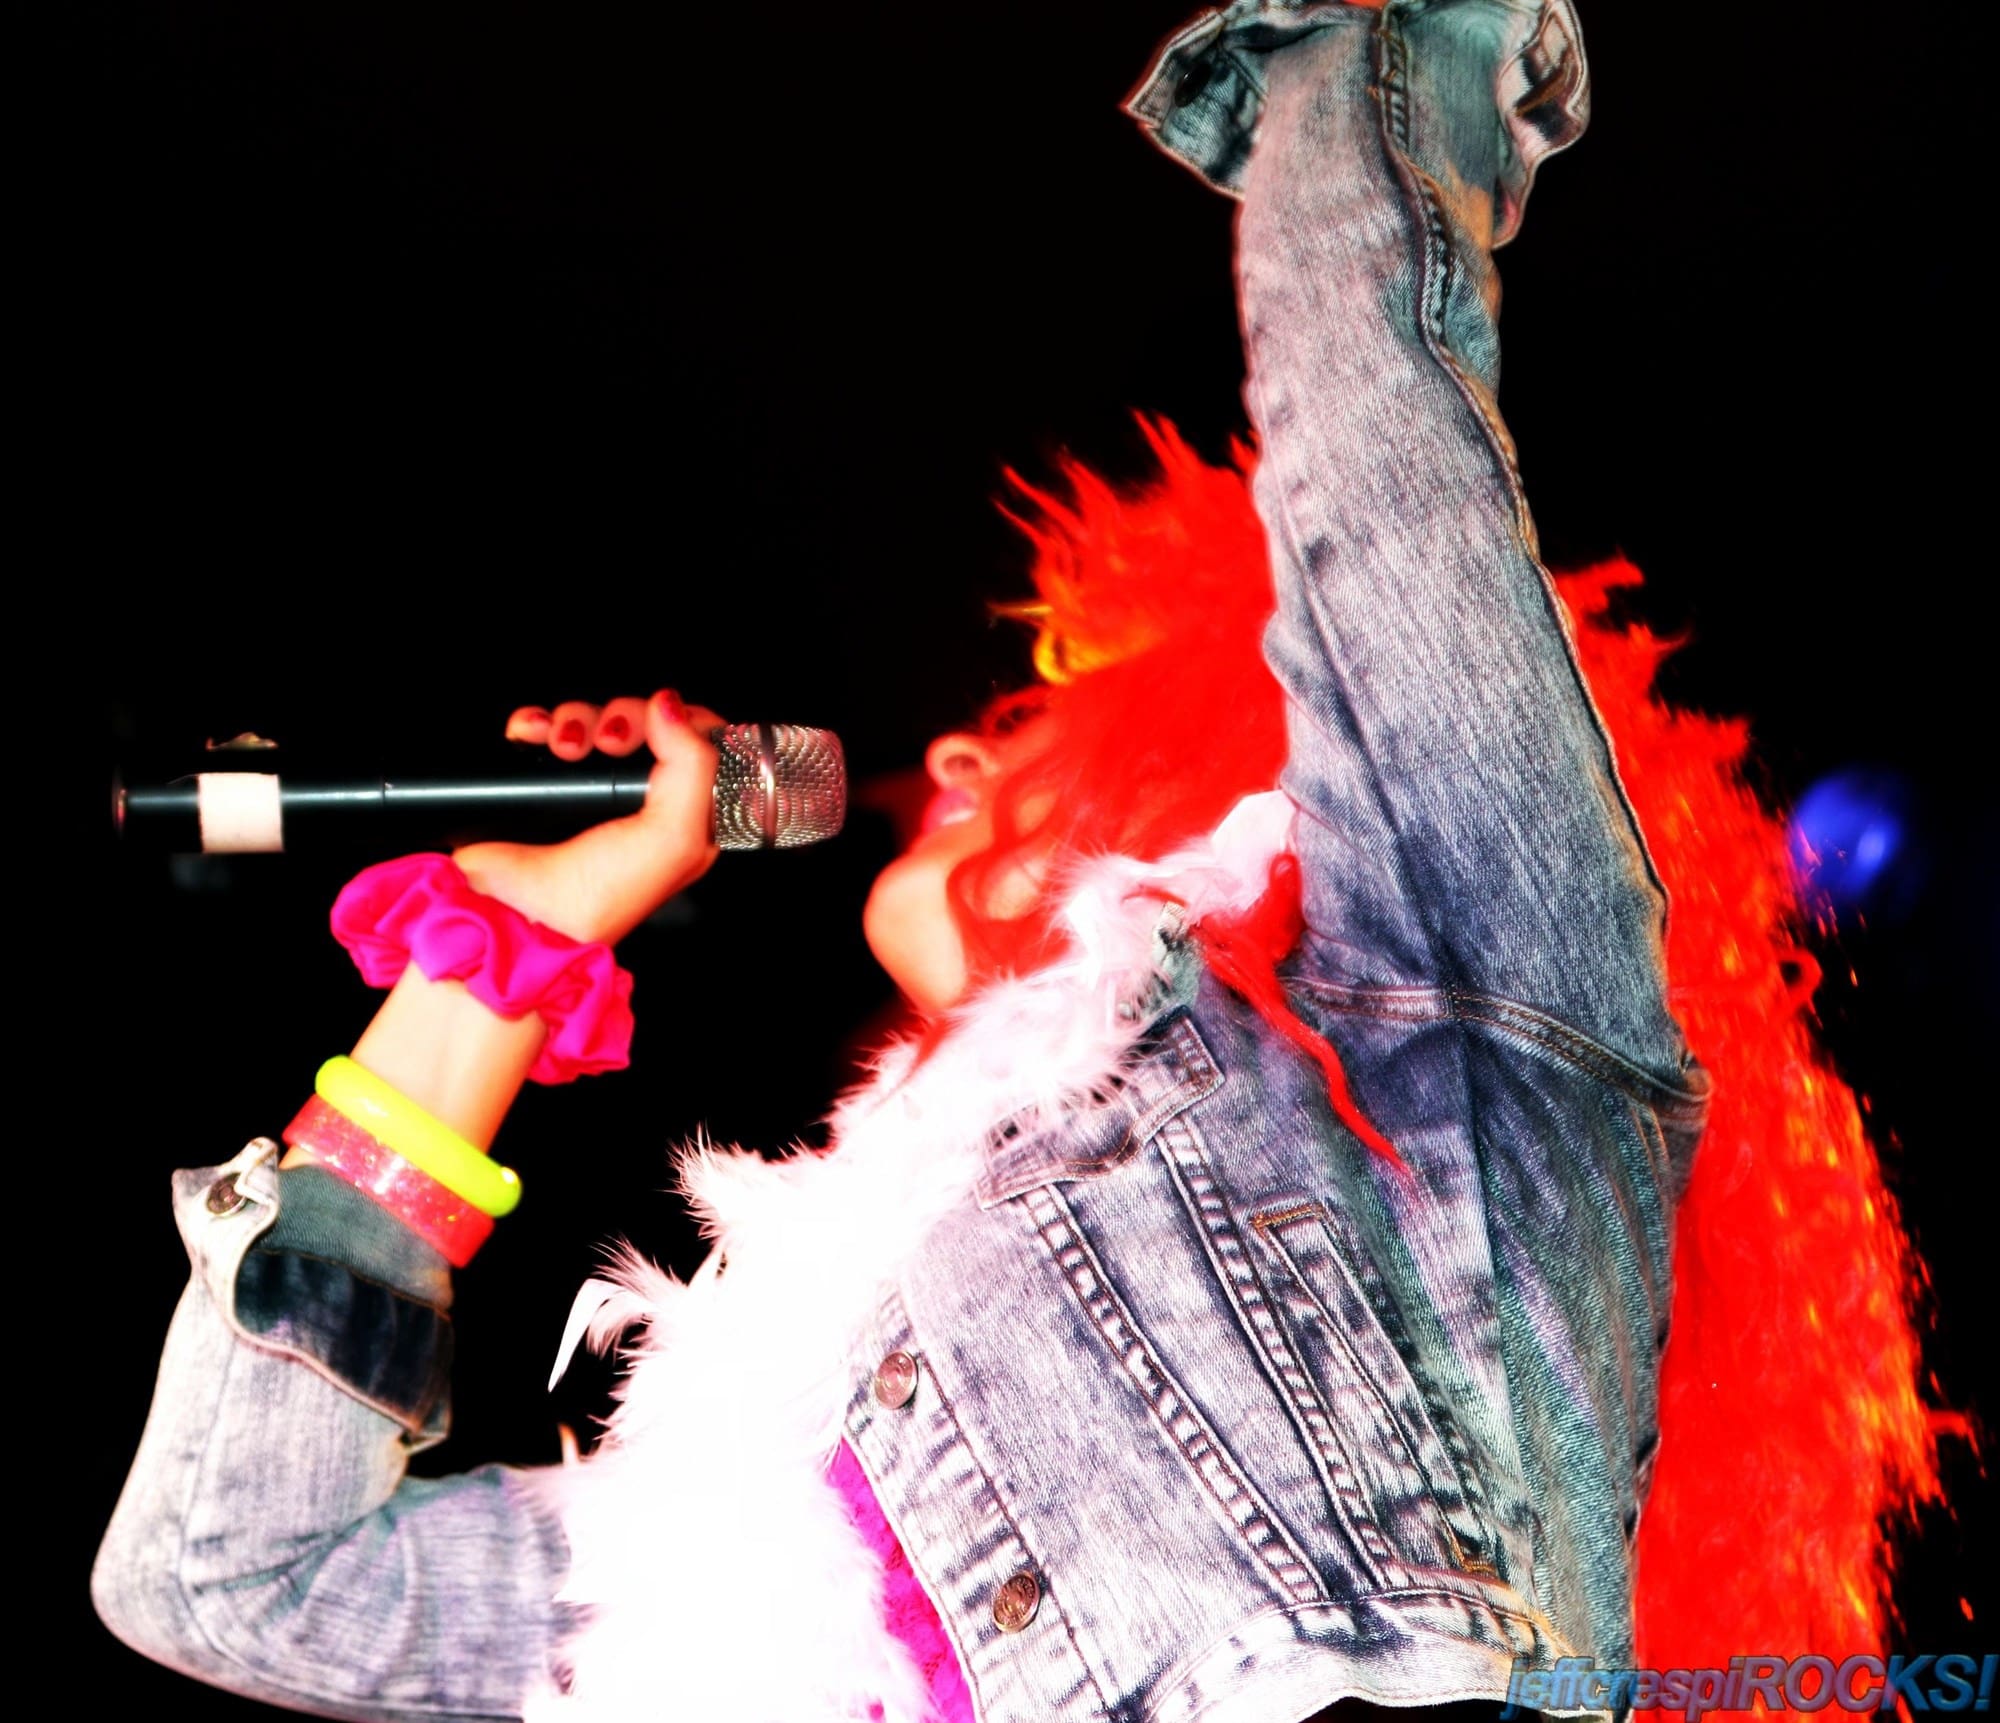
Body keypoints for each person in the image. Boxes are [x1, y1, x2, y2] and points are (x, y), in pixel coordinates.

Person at [89, 4, 1935, 1720]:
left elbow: (1378, 477)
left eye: (1044, 719)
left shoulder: (1469, 1042)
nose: (957, 754)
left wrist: (1348, 64)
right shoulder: (785, 1426)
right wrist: (491, 961)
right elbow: (230, 1582)